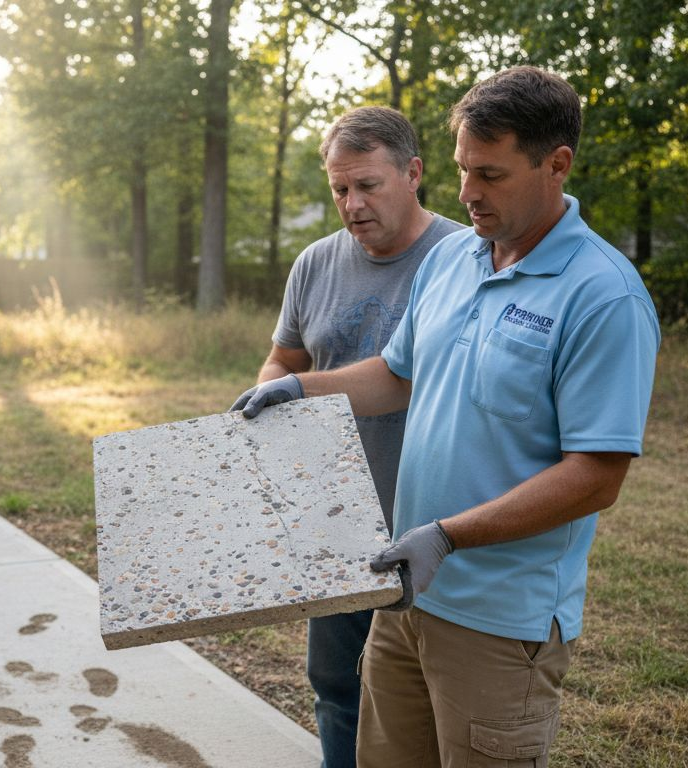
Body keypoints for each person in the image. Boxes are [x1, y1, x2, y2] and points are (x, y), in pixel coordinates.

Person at [234, 66, 660, 766]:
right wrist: (300, 390)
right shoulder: (455, 259)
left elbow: (596, 475)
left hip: (499, 621)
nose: (466, 194)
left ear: (557, 165)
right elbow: (396, 376)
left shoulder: (603, 295)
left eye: (490, 175)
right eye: (463, 170)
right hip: (403, 598)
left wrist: (448, 538)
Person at [231, 106, 463, 768]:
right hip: (330, 519)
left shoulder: (459, 259)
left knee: (426, 705)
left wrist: (303, 387)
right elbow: (285, 360)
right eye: (339, 189)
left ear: (413, 173)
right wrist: (272, 391)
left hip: (429, 523)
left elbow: (428, 382)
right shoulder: (315, 263)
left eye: (368, 185)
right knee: (337, 688)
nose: (351, 204)